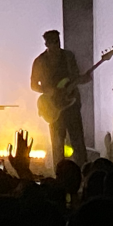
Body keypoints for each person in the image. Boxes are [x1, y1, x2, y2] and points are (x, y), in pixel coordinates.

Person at [31, 30, 90, 168]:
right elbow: (33, 85)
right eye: (53, 42)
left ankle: (83, 173)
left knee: (78, 142)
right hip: (53, 108)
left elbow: (75, 77)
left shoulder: (68, 57)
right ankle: (60, 175)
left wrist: (84, 79)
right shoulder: (39, 61)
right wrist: (47, 91)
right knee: (57, 144)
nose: (57, 45)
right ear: (47, 44)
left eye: (58, 41)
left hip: (72, 104)